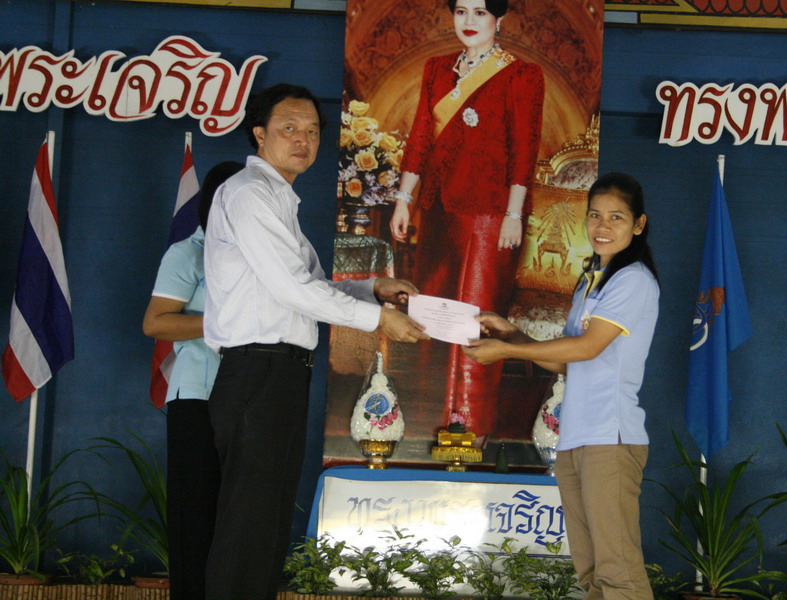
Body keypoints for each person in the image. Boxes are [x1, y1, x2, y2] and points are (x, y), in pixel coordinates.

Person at [202, 83, 428, 600]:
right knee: (248, 525)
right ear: (259, 134)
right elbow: (293, 289)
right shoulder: (249, 194)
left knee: (266, 521)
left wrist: (373, 287)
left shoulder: (278, 198)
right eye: (289, 128)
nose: (302, 140)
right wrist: (377, 319)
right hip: (257, 371)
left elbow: (308, 286)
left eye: (311, 131)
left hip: (276, 373)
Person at [463, 173, 659, 600]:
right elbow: (567, 362)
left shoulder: (633, 280)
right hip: (576, 438)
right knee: (590, 571)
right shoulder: (592, 280)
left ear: (638, 224)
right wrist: (513, 335)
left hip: (610, 437)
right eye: (594, 216)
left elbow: (588, 347)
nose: (602, 227)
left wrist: (505, 350)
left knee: (618, 570)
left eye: (616, 217)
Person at [389, 0, 544, 440]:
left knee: (474, 319)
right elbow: (421, 135)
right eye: (461, 12)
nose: (469, 22)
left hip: (489, 213)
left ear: (500, 18)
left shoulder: (521, 74)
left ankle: (469, 429)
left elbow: (525, 146)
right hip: (438, 209)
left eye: (480, 12)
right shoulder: (437, 68)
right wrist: (404, 200)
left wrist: (513, 213)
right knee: (432, 312)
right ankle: (426, 426)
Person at [142, 160, 243, 600]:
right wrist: (221, 323)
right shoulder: (187, 253)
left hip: (248, 396)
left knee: (238, 520)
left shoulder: (262, 255)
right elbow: (155, 323)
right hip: (198, 397)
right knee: (196, 516)